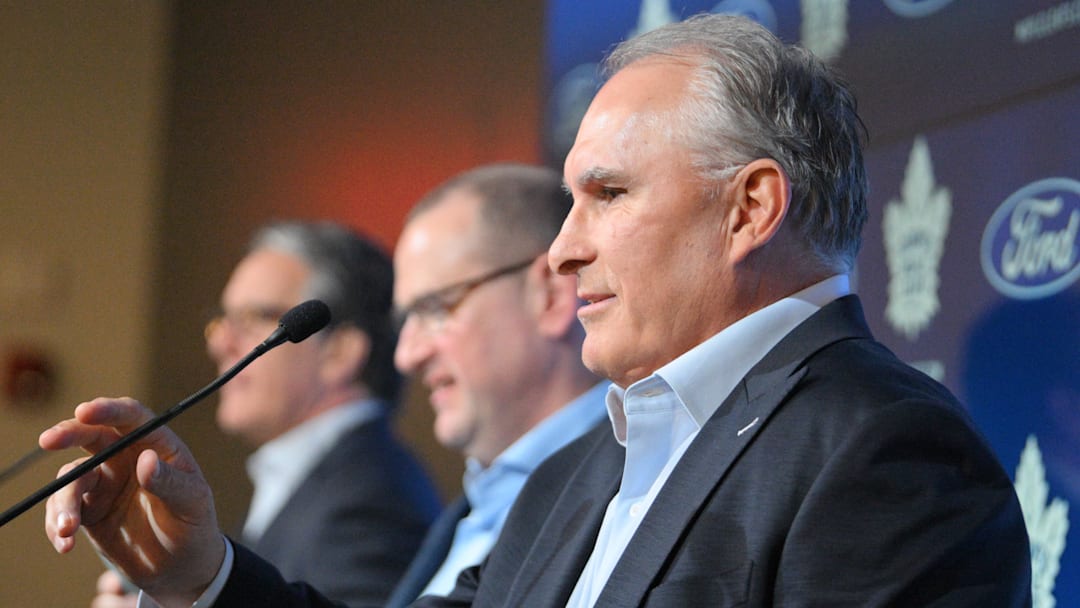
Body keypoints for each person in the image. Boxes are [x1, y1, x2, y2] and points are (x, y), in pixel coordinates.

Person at [42, 13, 1031, 607]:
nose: (560, 248)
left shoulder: (886, 450)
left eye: (607, 194)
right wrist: (203, 573)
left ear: (751, 207)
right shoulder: (580, 464)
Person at [89, 221, 443, 607]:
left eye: (252, 318)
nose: (221, 343)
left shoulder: (373, 499)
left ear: (339, 351)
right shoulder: (316, 477)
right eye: (222, 320)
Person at [384, 163, 607, 605]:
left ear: (550, 294)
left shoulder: (633, 487)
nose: (406, 355)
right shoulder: (477, 502)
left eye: (434, 308)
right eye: (404, 320)